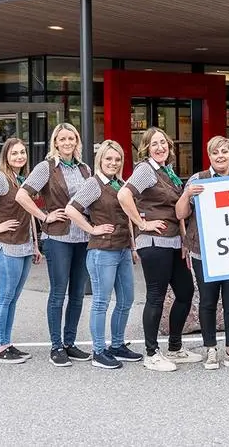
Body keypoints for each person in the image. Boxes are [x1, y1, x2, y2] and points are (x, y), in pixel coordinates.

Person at [118, 126, 201, 372]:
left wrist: (185, 241)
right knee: (156, 296)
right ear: (146, 148)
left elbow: (179, 212)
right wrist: (142, 223)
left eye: (163, 143)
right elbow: (124, 195)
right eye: (154, 144)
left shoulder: (168, 171)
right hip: (154, 243)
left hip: (174, 241)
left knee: (185, 292)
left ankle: (175, 348)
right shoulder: (145, 170)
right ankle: (152, 353)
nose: (160, 147)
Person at [15, 123, 93, 367]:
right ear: (55, 143)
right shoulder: (46, 167)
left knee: (78, 294)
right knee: (58, 292)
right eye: (63, 139)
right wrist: (44, 216)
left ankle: (70, 343)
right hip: (58, 238)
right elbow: (22, 195)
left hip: (83, 237)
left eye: (71, 138)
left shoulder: (85, 169)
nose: (67, 142)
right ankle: (56, 346)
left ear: (76, 141)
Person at [175, 135, 229, 370]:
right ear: (209, 156)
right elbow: (180, 213)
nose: (220, 156)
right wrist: (187, 194)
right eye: (215, 152)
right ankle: (210, 349)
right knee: (208, 301)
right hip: (204, 253)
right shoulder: (198, 179)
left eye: (224, 151)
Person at [66, 139, 143, 370]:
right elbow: (71, 209)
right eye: (108, 158)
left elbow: (128, 216)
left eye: (117, 159)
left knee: (127, 299)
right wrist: (91, 229)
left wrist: (133, 246)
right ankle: (99, 351)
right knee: (101, 301)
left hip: (122, 249)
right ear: (100, 160)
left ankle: (117, 345)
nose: (113, 162)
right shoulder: (94, 183)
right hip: (102, 251)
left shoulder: (121, 183)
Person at [0, 137, 40, 364]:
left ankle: (7, 342)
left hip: (23, 244)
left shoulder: (22, 179)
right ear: (6, 156)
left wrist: (35, 244)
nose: (19, 157)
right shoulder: (1, 178)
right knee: (4, 297)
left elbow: (29, 213)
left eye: (22, 152)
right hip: (7, 244)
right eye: (14, 153)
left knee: (12, 298)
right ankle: (0, 348)